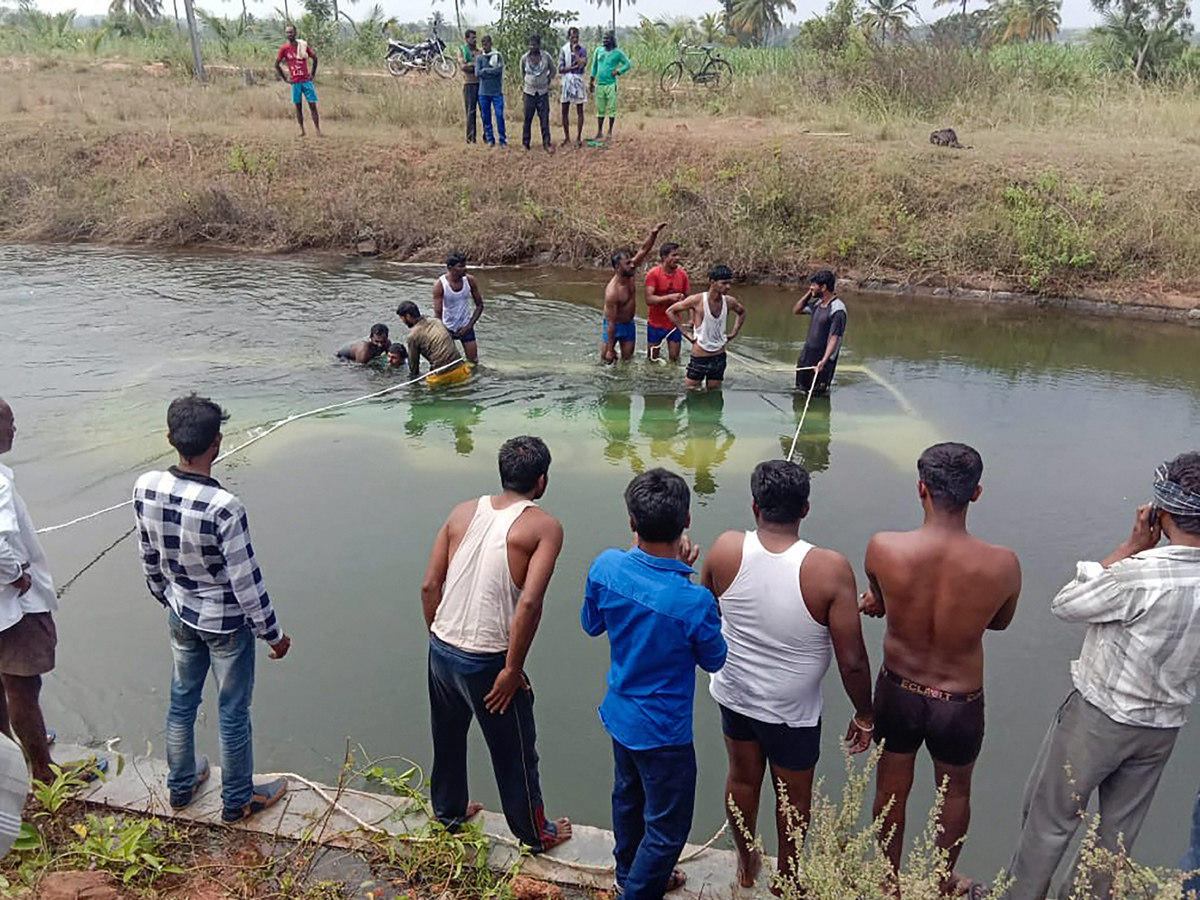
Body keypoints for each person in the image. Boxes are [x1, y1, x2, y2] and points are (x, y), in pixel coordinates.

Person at [1004, 452, 1200, 900]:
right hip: (1163, 728)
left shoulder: (1138, 575)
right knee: (1116, 840)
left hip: (1100, 719)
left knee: (1049, 822)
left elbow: (1067, 604)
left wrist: (1131, 545)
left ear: (1160, 512)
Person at [702, 460, 875, 891]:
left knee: (741, 780)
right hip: (792, 711)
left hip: (736, 694)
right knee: (793, 797)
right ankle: (789, 877)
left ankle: (746, 864)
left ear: (755, 505)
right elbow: (851, 659)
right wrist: (865, 713)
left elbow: (707, 611)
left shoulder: (724, 548)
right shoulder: (830, 568)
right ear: (807, 508)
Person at [859, 443, 1021, 896]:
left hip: (898, 688)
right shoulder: (1003, 565)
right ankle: (939, 881)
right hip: (959, 700)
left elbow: (883, 599)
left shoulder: (883, 548)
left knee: (891, 786)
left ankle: (887, 881)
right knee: (955, 793)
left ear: (921, 488)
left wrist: (879, 603)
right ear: (977, 493)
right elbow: (1000, 622)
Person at [133, 395, 292, 821]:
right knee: (232, 711)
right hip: (226, 624)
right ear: (217, 443)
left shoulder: (146, 486)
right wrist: (273, 633)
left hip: (180, 611)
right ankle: (238, 799)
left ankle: (182, 785)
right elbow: (245, 581)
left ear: (170, 437)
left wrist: (162, 593)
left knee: (181, 701)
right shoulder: (225, 507)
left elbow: (148, 555)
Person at [422, 436, 572, 852]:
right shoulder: (545, 527)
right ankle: (534, 834)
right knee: (516, 753)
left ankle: (449, 813)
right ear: (541, 481)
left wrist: (438, 637)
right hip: (487, 660)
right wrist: (510, 669)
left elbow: (430, 584)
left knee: (447, 737)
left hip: (441, 646)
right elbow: (529, 602)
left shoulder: (462, 511)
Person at [582, 468, 727, 900]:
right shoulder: (693, 599)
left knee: (628, 799)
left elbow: (591, 624)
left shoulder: (605, 566)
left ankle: (628, 873)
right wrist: (683, 579)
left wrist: (670, 575)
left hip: (620, 715)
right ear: (686, 522)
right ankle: (636, 892)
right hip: (664, 732)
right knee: (667, 828)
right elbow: (715, 659)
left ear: (631, 523)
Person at [0, 398, 84, 787]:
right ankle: (41, 771)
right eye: (9, 422)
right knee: (22, 686)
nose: (14, 429)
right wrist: (15, 574)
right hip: (13, 609)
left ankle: (8, 760)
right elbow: (1, 537)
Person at [667, 265, 747, 390]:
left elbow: (741, 312)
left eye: (729, 283)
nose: (728, 287)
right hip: (700, 356)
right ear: (712, 282)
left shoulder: (729, 301)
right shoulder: (697, 300)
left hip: (718, 356)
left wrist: (734, 333)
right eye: (724, 283)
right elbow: (670, 311)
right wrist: (685, 333)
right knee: (692, 392)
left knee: (714, 394)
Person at [601, 222, 667, 364]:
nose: (633, 265)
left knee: (627, 362)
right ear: (618, 267)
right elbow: (611, 323)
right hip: (614, 326)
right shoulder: (612, 292)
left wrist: (653, 233)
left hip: (629, 324)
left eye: (632, 262)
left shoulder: (630, 272)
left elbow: (644, 250)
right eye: (628, 263)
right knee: (606, 361)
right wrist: (610, 349)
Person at [793, 270, 845, 395]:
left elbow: (834, 338)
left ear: (823, 287)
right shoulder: (817, 304)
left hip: (822, 361)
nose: (811, 287)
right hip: (807, 357)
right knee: (800, 393)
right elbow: (797, 310)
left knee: (817, 396)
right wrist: (810, 293)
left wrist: (823, 361)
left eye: (814, 285)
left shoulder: (837, 309)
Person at [396, 301, 471, 386]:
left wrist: (413, 382)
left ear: (408, 316)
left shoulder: (413, 335)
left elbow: (414, 366)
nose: (403, 321)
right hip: (460, 368)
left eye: (402, 318)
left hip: (441, 375)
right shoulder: (436, 321)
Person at [433, 253, 484, 363]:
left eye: (465, 265)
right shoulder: (440, 285)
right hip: (447, 328)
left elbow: (480, 305)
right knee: (445, 362)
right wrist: (443, 333)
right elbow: (438, 315)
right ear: (450, 268)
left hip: (466, 326)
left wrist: (469, 326)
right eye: (460, 266)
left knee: (473, 361)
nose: (464, 269)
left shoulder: (470, 281)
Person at [643, 242, 689, 363]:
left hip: (674, 323)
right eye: (673, 255)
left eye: (678, 255)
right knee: (652, 359)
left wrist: (693, 319)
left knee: (674, 359)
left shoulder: (683, 275)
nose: (677, 258)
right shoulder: (653, 274)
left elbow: (690, 300)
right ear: (664, 257)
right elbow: (649, 300)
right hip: (655, 323)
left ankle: (672, 381)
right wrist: (669, 298)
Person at [274, 24, 320, 137]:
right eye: (287, 32)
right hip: (295, 82)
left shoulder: (303, 46)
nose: (289, 34)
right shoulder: (284, 49)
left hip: (306, 80)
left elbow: (315, 58)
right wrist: (285, 78)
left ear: (296, 33)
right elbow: (276, 64)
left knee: (312, 105)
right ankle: (302, 130)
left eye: (291, 32)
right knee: (298, 107)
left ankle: (318, 130)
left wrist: (312, 74)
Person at [589, 32, 630, 142]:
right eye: (603, 39)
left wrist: (618, 71)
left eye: (606, 39)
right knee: (600, 109)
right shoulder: (598, 51)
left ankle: (610, 131)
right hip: (600, 84)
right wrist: (591, 81)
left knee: (611, 108)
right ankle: (599, 132)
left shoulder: (617, 53)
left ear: (612, 40)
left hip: (611, 84)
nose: (604, 41)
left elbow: (628, 64)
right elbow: (594, 67)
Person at [520, 35, 554, 152]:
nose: (532, 47)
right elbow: (522, 73)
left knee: (544, 119)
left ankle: (547, 143)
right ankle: (525, 143)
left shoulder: (546, 56)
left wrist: (547, 79)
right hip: (529, 92)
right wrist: (527, 83)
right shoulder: (524, 58)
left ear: (539, 45)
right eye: (530, 45)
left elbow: (553, 70)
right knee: (527, 118)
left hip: (542, 92)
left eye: (534, 45)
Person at [476, 36, 507, 148]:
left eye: (487, 44)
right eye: (483, 44)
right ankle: (490, 139)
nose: (485, 46)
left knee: (499, 115)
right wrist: (490, 72)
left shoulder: (497, 56)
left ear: (491, 44)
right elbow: (478, 73)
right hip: (483, 92)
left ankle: (502, 140)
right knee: (486, 117)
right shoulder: (479, 58)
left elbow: (498, 71)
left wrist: (485, 71)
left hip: (496, 92)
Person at [558, 28, 587, 147]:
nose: (574, 39)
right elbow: (560, 69)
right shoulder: (564, 50)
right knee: (565, 110)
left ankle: (579, 138)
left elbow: (583, 64)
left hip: (578, 80)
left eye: (576, 37)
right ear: (568, 38)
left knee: (579, 110)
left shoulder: (582, 50)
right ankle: (567, 138)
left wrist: (575, 52)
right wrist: (573, 68)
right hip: (567, 81)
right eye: (572, 37)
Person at [460, 30, 480, 145]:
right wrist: (475, 67)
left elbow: (480, 67)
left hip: (480, 85)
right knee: (470, 112)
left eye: (475, 37)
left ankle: (487, 138)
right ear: (466, 39)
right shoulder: (463, 51)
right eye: (472, 38)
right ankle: (471, 139)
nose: (475, 40)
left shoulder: (479, 52)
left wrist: (471, 65)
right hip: (468, 85)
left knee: (484, 112)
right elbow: (463, 67)